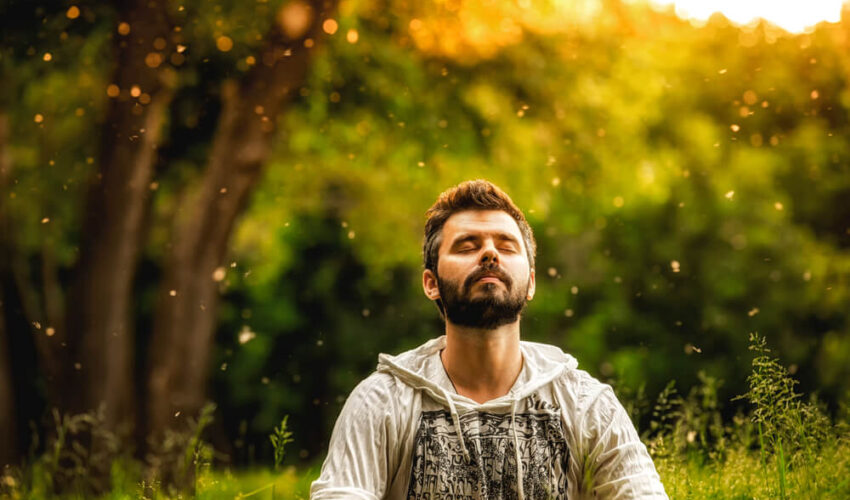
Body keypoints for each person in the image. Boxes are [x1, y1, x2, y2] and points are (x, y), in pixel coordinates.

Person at [310, 180, 667, 499]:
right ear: (430, 283)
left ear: (530, 283)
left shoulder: (586, 404)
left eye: (506, 245)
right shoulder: (381, 402)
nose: (489, 253)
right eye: (467, 246)